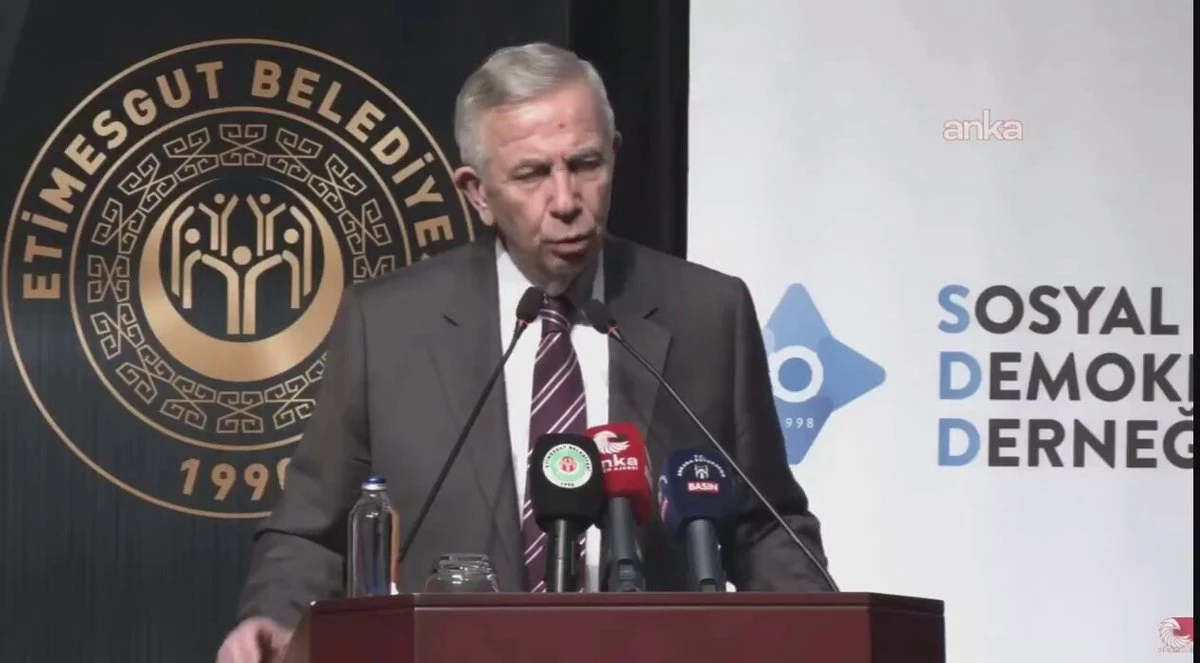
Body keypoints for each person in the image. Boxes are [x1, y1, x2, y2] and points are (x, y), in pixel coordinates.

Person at [215, 41, 832, 663]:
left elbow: (765, 526)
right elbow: (313, 532)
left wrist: (826, 634)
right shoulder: (388, 325)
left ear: (614, 156)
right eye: (532, 174)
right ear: (477, 192)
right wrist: (274, 618)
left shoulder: (706, 313)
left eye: (585, 164)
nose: (565, 201)